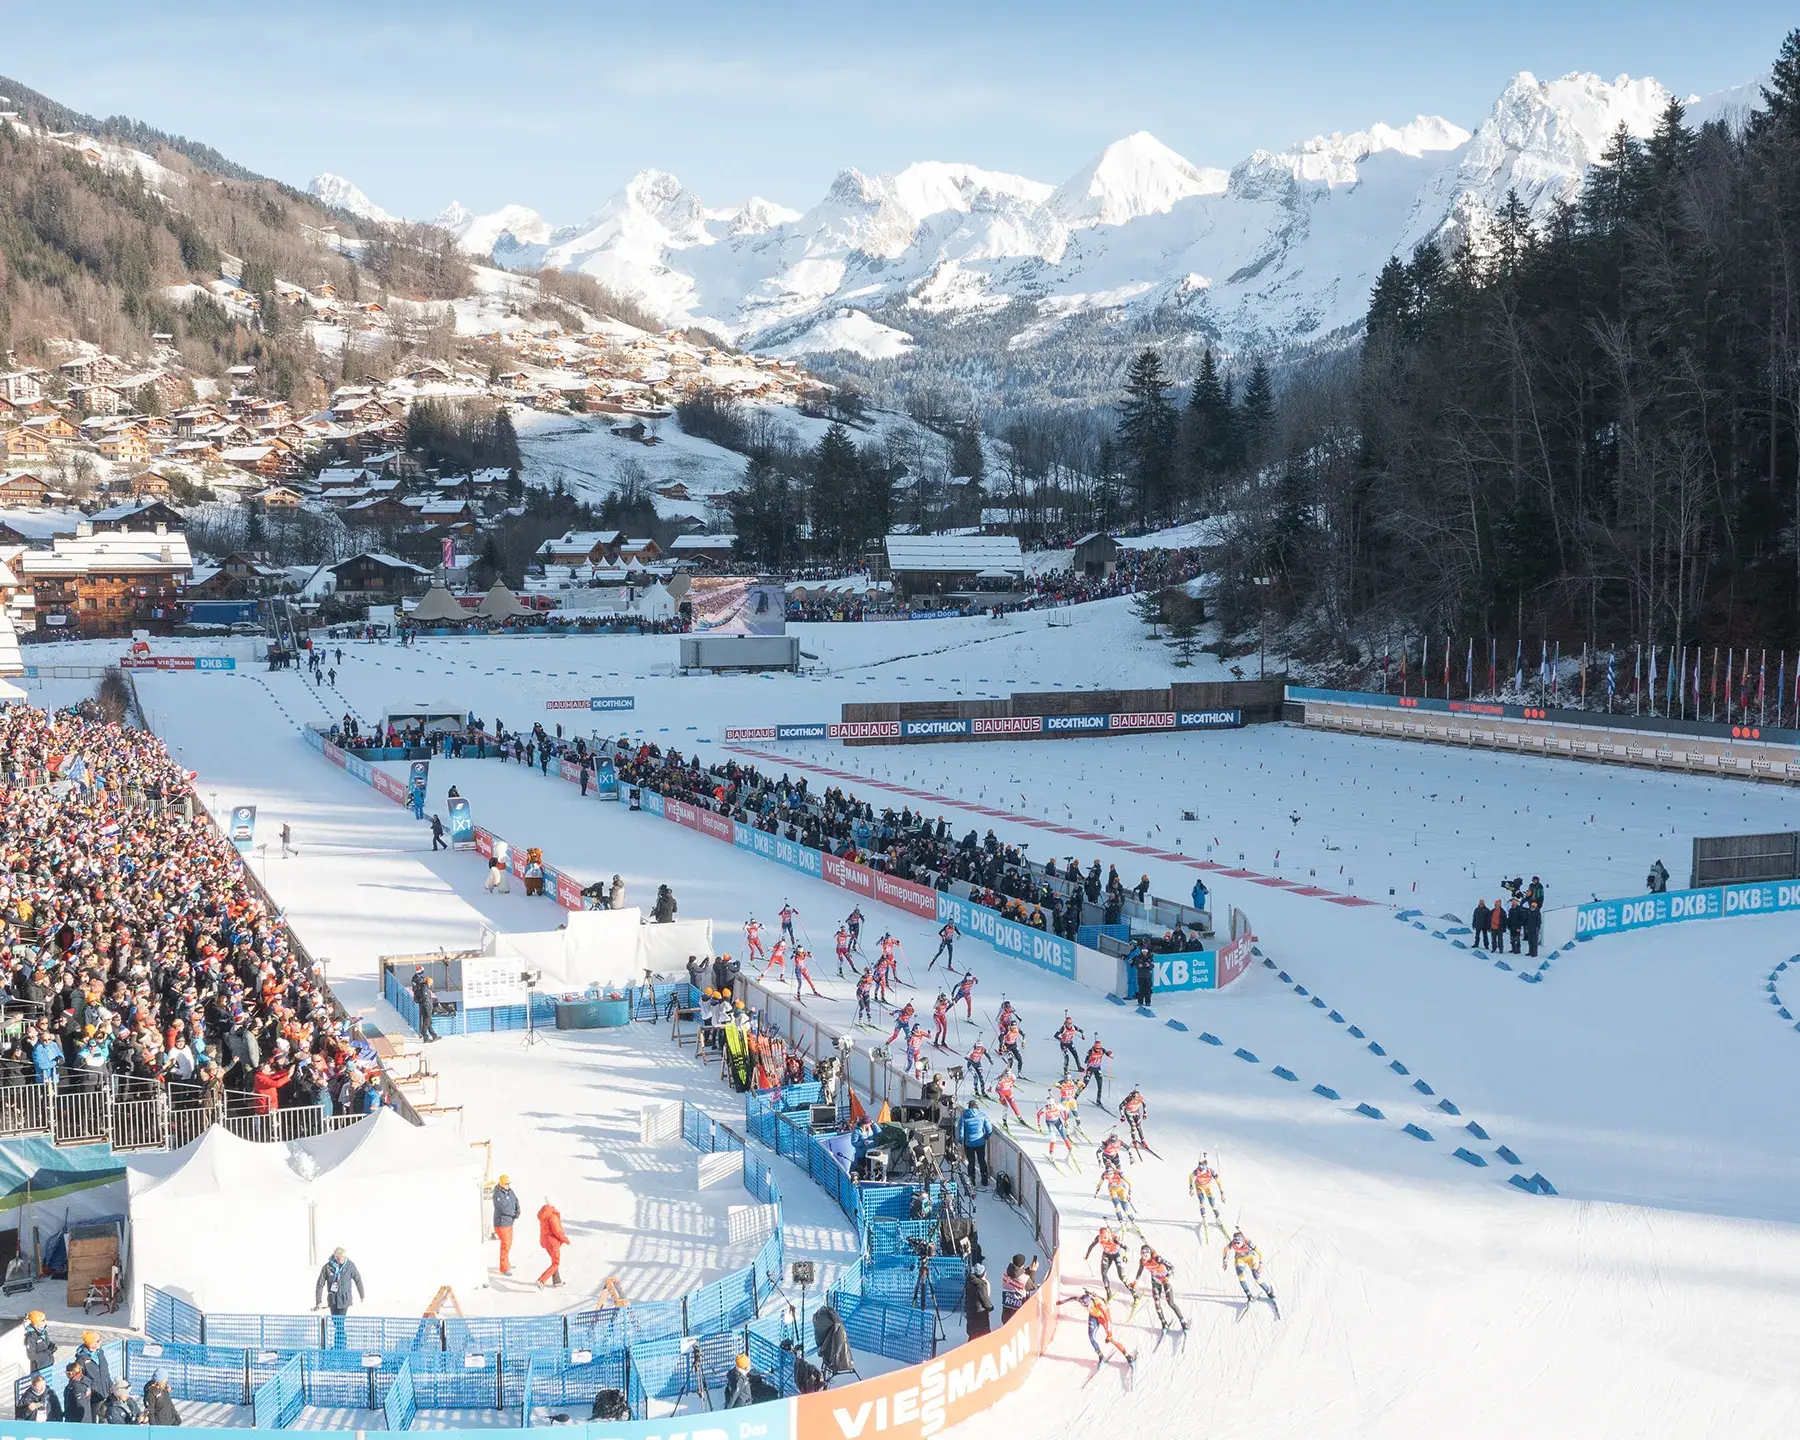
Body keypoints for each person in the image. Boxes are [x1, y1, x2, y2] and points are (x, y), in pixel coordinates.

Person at [316, 1246, 365, 1346]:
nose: (341, 1260)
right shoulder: (327, 1267)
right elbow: (320, 1284)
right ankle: (340, 1344)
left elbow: (358, 1280)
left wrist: (362, 1294)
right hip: (333, 1300)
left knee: (340, 1323)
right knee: (336, 1322)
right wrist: (318, 1301)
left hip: (344, 1299)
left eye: (343, 1257)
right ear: (335, 1257)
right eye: (339, 1258)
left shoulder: (350, 1266)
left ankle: (340, 1345)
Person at [1135, 1245, 1187, 1331]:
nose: (1144, 1257)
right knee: (1157, 1304)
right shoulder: (1142, 1261)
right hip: (1155, 1282)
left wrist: (1167, 1276)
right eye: (1142, 1255)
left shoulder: (1157, 1259)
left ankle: (1182, 1322)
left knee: (1170, 1303)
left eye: (1146, 1255)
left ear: (1149, 1254)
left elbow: (1171, 1267)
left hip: (1164, 1279)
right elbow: (1140, 1270)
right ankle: (1164, 1323)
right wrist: (1136, 1280)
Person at [1224, 1227, 1276, 1304]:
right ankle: (1249, 1296)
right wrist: (1224, 1261)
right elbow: (1225, 1250)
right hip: (1240, 1259)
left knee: (1256, 1276)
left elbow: (1259, 1253)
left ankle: (1269, 1292)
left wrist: (1261, 1264)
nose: (1236, 1244)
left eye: (1238, 1242)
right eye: (1235, 1242)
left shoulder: (1248, 1242)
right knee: (1240, 1276)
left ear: (1242, 1241)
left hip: (1251, 1257)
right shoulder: (1232, 1243)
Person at [1085, 1224, 1131, 1297]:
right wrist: (1087, 1255)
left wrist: (1125, 1255)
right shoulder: (1098, 1238)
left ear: (1109, 1234)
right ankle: (1108, 1292)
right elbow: (1091, 1246)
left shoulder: (1115, 1238)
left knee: (1121, 1276)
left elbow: (1126, 1248)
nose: (1103, 1239)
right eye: (1102, 1237)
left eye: (1105, 1237)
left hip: (1116, 1255)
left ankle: (1132, 1292)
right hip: (1107, 1255)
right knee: (1103, 1273)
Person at [492, 1173, 521, 1275]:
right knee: (505, 1246)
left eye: (509, 1183)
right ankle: (504, 1268)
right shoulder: (498, 1195)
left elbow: (516, 1200)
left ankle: (506, 1264)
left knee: (508, 1245)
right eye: (506, 1184)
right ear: (501, 1184)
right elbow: (504, 1209)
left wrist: (518, 1210)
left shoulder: (509, 1191)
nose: (508, 1185)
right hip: (502, 1224)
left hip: (509, 1223)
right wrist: (514, 1213)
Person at [959, 1100, 992, 1187]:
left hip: (969, 1143)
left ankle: (972, 1181)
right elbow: (989, 1129)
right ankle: (984, 1180)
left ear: (969, 1107)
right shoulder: (982, 1115)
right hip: (980, 1142)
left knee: (971, 1162)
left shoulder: (964, 1116)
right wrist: (986, 1136)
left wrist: (961, 1140)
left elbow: (961, 1131)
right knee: (982, 1160)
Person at [537, 1199, 569, 1288]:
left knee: (554, 1262)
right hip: (552, 1242)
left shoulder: (544, 1213)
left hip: (545, 1241)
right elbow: (558, 1232)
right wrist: (566, 1240)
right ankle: (541, 1280)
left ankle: (557, 1281)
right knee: (556, 1263)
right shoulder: (552, 1216)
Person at [1000, 1254, 1039, 1325]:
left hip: (1006, 1310)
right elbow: (1031, 1286)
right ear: (1023, 1264)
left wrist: (1028, 1270)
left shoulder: (1006, 1273)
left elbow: (1016, 1273)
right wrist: (1033, 1271)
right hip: (1018, 1312)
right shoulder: (1024, 1279)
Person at [963, 1260, 994, 1338]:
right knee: (983, 1332)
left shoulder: (970, 1281)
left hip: (970, 1310)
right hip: (980, 1312)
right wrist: (990, 1307)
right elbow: (985, 1300)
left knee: (972, 1333)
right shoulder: (981, 1285)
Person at [411, 967, 439, 1043]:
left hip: (425, 1006)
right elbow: (425, 999)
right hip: (425, 1006)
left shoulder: (419, 982)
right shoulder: (423, 987)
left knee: (427, 1021)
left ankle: (434, 1035)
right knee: (426, 1022)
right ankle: (425, 1037)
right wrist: (428, 1009)